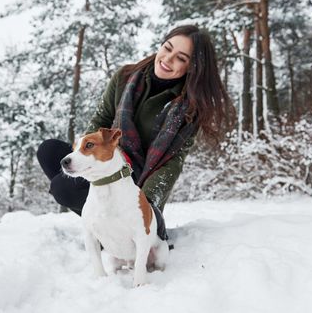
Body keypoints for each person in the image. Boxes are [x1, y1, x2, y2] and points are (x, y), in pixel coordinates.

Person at [37, 24, 233, 240]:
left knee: (64, 188)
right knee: (50, 151)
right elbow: (100, 120)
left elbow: (172, 162)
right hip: (109, 158)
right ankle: (104, 227)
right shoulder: (125, 77)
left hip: (135, 180)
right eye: (167, 48)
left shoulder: (189, 108)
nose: (167, 59)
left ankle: (122, 234)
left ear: (192, 67)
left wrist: (146, 205)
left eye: (181, 58)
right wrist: (85, 156)